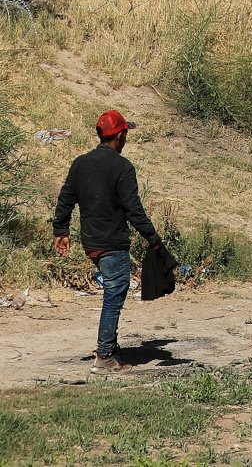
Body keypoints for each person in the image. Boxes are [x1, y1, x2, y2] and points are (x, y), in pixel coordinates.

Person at [51, 110, 163, 373]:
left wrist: (61, 230)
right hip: (112, 243)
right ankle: (104, 357)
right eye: (126, 133)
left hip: (90, 242)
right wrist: (152, 237)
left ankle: (108, 346)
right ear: (121, 135)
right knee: (113, 296)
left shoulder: (80, 163)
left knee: (112, 294)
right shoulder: (122, 167)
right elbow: (133, 208)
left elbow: (66, 198)